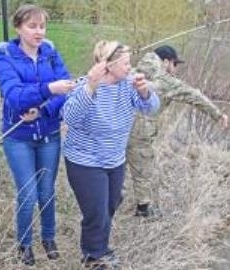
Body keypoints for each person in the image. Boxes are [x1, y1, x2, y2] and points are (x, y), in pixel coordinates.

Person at [0, 4, 74, 266]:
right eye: (32, 26)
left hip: (49, 133)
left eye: (42, 26)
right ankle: (24, 244)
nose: (39, 32)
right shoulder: (5, 57)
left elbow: (67, 88)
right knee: (28, 194)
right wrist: (49, 88)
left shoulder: (50, 53)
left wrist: (45, 108)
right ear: (18, 28)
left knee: (47, 191)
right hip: (19, 138)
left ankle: (48, 238)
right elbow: (14, 96)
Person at [63, 40, 160, 269]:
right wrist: (90, 86)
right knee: (96, 210)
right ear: (108, 65)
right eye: (125, 63)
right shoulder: (84, 86)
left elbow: (152, 108)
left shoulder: (128, 86)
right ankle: (93, 256)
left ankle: (99, 247)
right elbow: (70, 117)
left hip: (115, 160)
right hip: (84, 161)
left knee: (111, 204)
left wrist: (144, 91)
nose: (130, 67)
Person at [128, 45, 229, 217]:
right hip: (140, 131)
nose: (175, 69)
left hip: (116, 126)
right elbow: (193, 95)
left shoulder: (129, 71)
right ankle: (143, 208)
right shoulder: (166, 80)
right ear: (166, 62)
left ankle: (110, 201)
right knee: (143, 169)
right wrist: (218, 115)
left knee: (114, 166)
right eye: (175, 64)